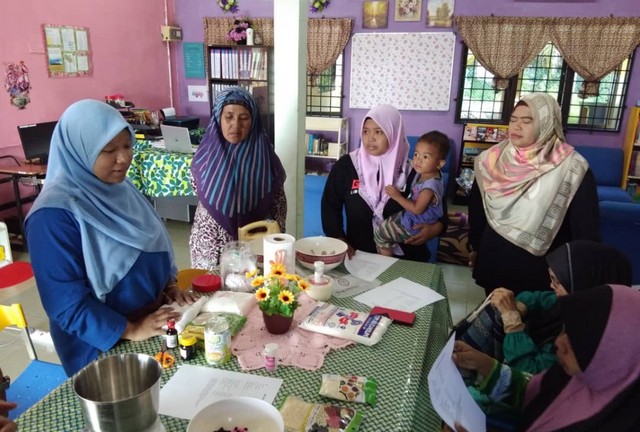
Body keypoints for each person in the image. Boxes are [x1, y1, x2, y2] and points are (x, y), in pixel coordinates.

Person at [25, 99, 194, 376]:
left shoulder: (122, 189)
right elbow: (65, 305)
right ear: (80, 150)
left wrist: (168, 286)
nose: (124, 158)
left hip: (151, 321)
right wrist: (131, 329)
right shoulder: (52, 217)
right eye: (109, 150)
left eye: (127, 145)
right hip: (102, 347)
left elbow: (150, 245)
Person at [453, 284, 640, 431]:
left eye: (576, 342)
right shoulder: (572, 377)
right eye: (565, 331)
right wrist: (485, 365)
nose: (558, 342)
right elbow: (531, 392)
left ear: (615, 357)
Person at [468, 93, 600, 296]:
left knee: (533, 314)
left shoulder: (571, 168)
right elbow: (477, 209)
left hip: (540, 271)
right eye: (513, 120)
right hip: (494, 258)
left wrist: (578, 273)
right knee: (496, 311)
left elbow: (585, 227)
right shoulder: (491, 159)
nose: (516, 126)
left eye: (527, 121)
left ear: (546, 124)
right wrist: (475, 246)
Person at [321, 104, 445, 262]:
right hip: (358, 256)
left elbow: (440, 209)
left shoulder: (415, 171)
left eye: (378, 132)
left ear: (394, 133)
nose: (370, 138)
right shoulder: (347, 165)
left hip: (407, 259)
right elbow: (330, 204)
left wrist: (436, 228)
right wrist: (338, 237)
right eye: (365, 131)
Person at [189, 87, 286, 269]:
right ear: (218, 118)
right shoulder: (204, 157)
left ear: (253, 121)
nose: (236, 125)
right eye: (229, 117)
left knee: (255, 285)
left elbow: (279, 207)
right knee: (212, 286)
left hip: (255, 243)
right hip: (212, 244)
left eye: (244, 118)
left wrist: (276, 245)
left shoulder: (266, 158)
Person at [374, 131, 449, 256]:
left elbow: (417, 209)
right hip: (410, 216)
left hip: (414, 224)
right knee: (385, 225)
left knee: (380, 233)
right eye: (416, 154)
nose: (418, 160)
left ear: (439, 163)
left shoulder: (428, 186)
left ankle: (386, 263)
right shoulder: (424, 174)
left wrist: (397, 196)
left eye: (425, 157)